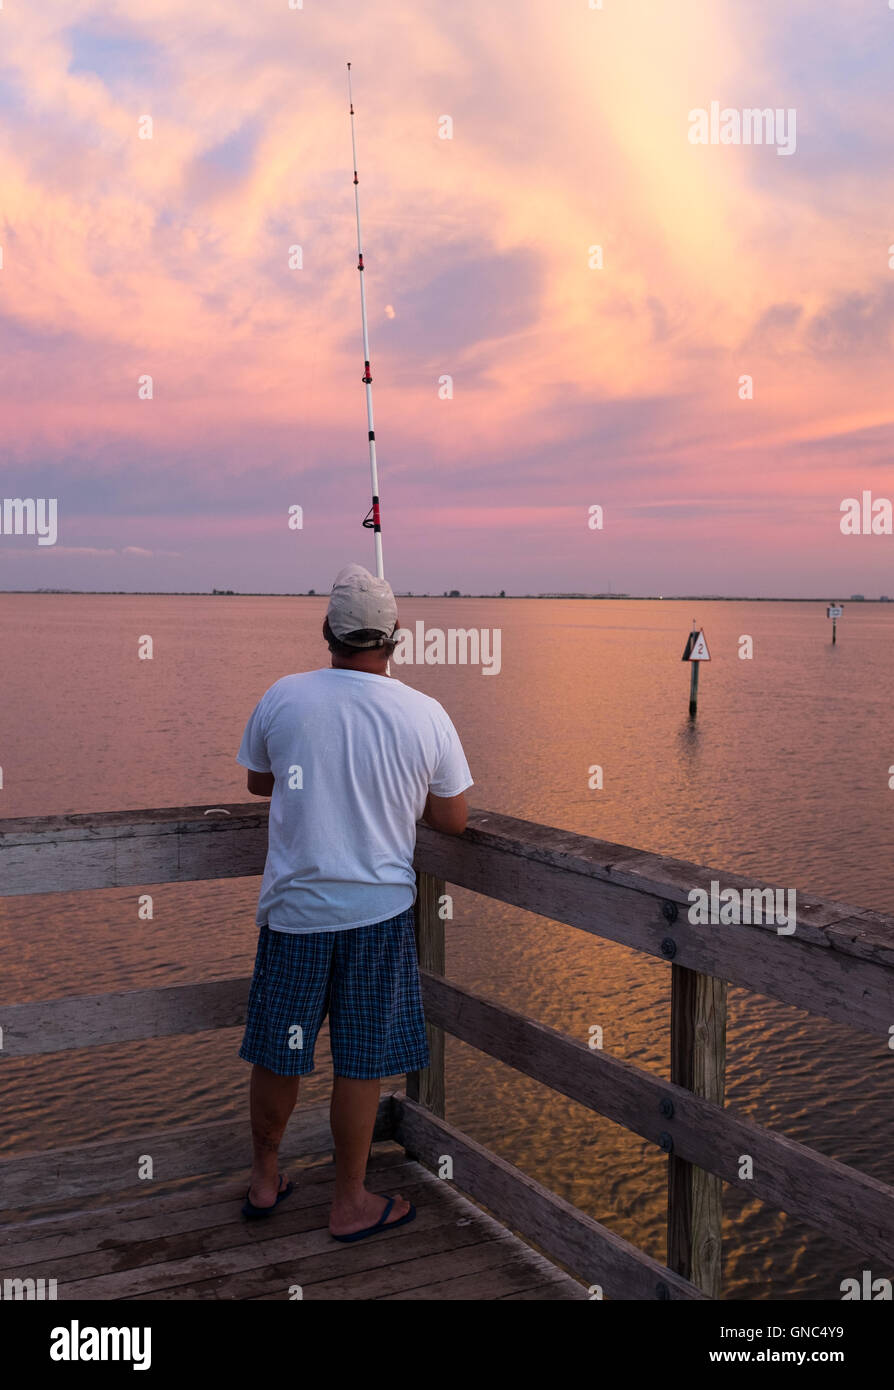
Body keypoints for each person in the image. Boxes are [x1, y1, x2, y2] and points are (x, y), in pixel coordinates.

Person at [235, 562, 473, 1241]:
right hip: (377, 913)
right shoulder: (424, 712)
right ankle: (349, 1202)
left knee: (279, 1054)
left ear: (327, 633)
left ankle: (263, 1180)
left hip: (294, 910)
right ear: (396, 636)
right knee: (361, 1062)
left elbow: (260, 781)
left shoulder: (284, 696)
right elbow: (454, 819)